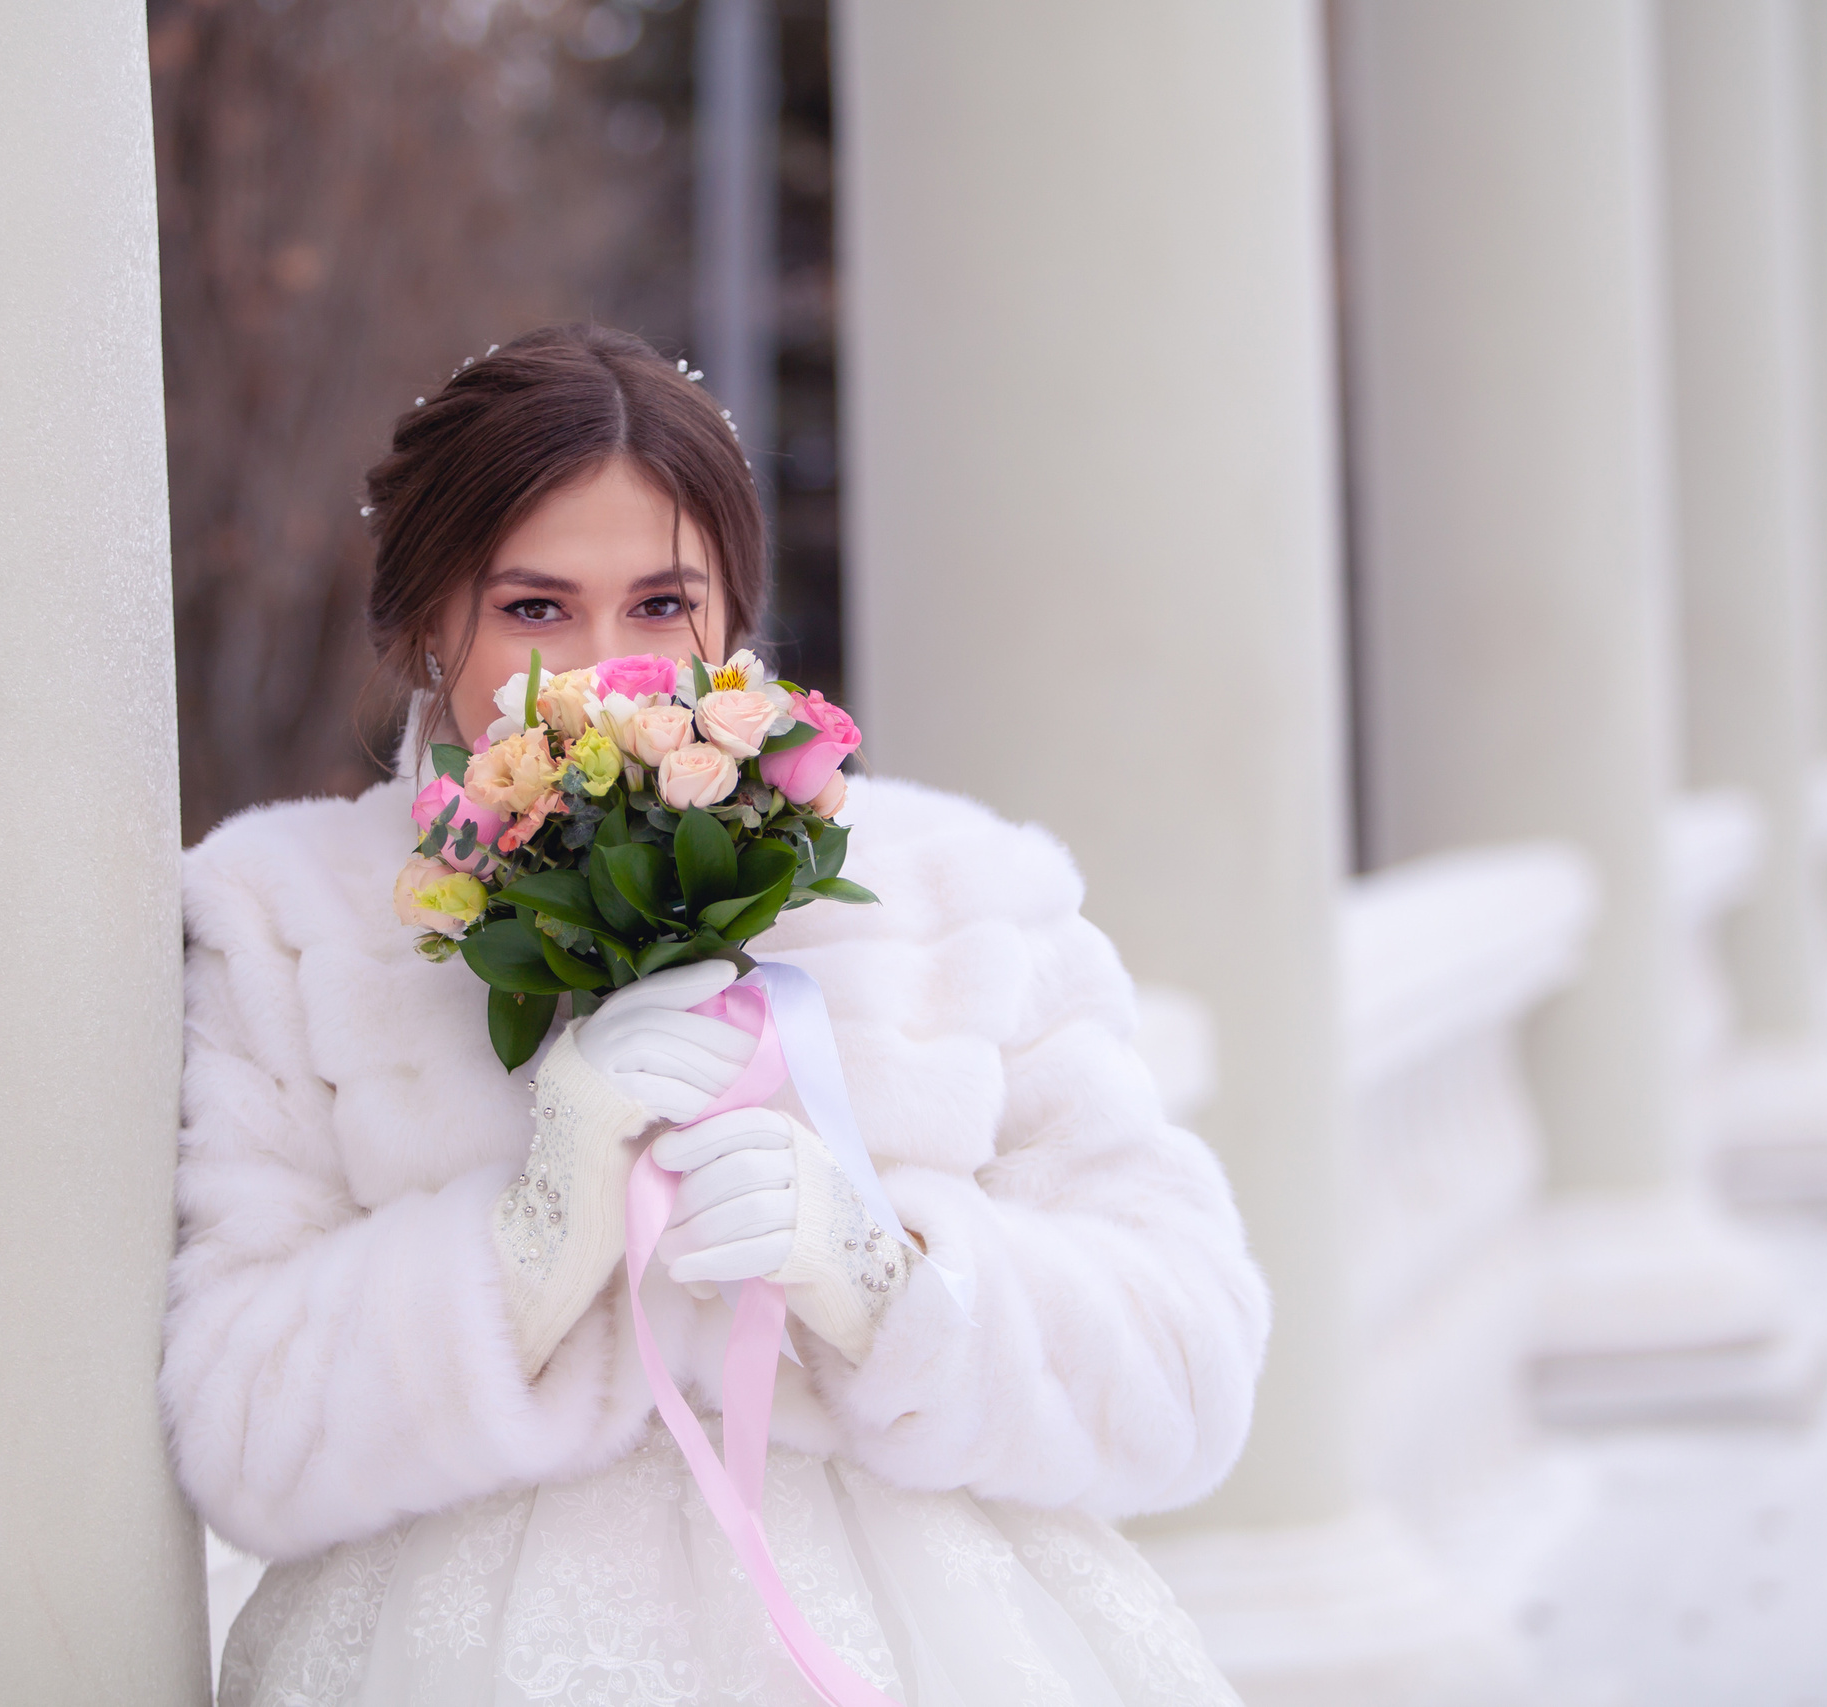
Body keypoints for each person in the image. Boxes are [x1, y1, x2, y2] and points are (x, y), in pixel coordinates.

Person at [162, 323, 1269, 1706]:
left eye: (661, 606)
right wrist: (537, 1237)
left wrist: (878, 1272)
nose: (601, 670)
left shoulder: (962, 897)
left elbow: (1186, 1372)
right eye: (534, 609)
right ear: (426, 623)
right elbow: (241, 1435)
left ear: (736, 614)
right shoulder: (288, 921)